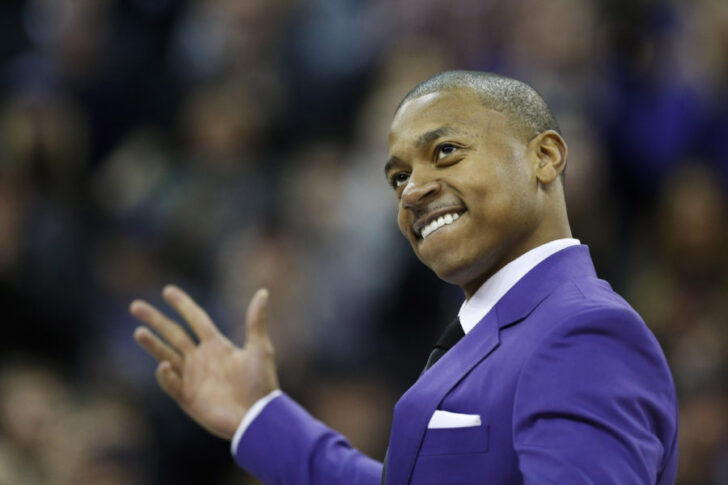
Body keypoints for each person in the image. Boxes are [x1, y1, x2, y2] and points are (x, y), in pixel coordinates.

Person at [130, 71, 678, 484]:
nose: (413, 190)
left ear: (545, 156)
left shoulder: (583, 335)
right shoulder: (497, 333)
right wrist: (259, 417)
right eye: (398, 177)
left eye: (446, 152)